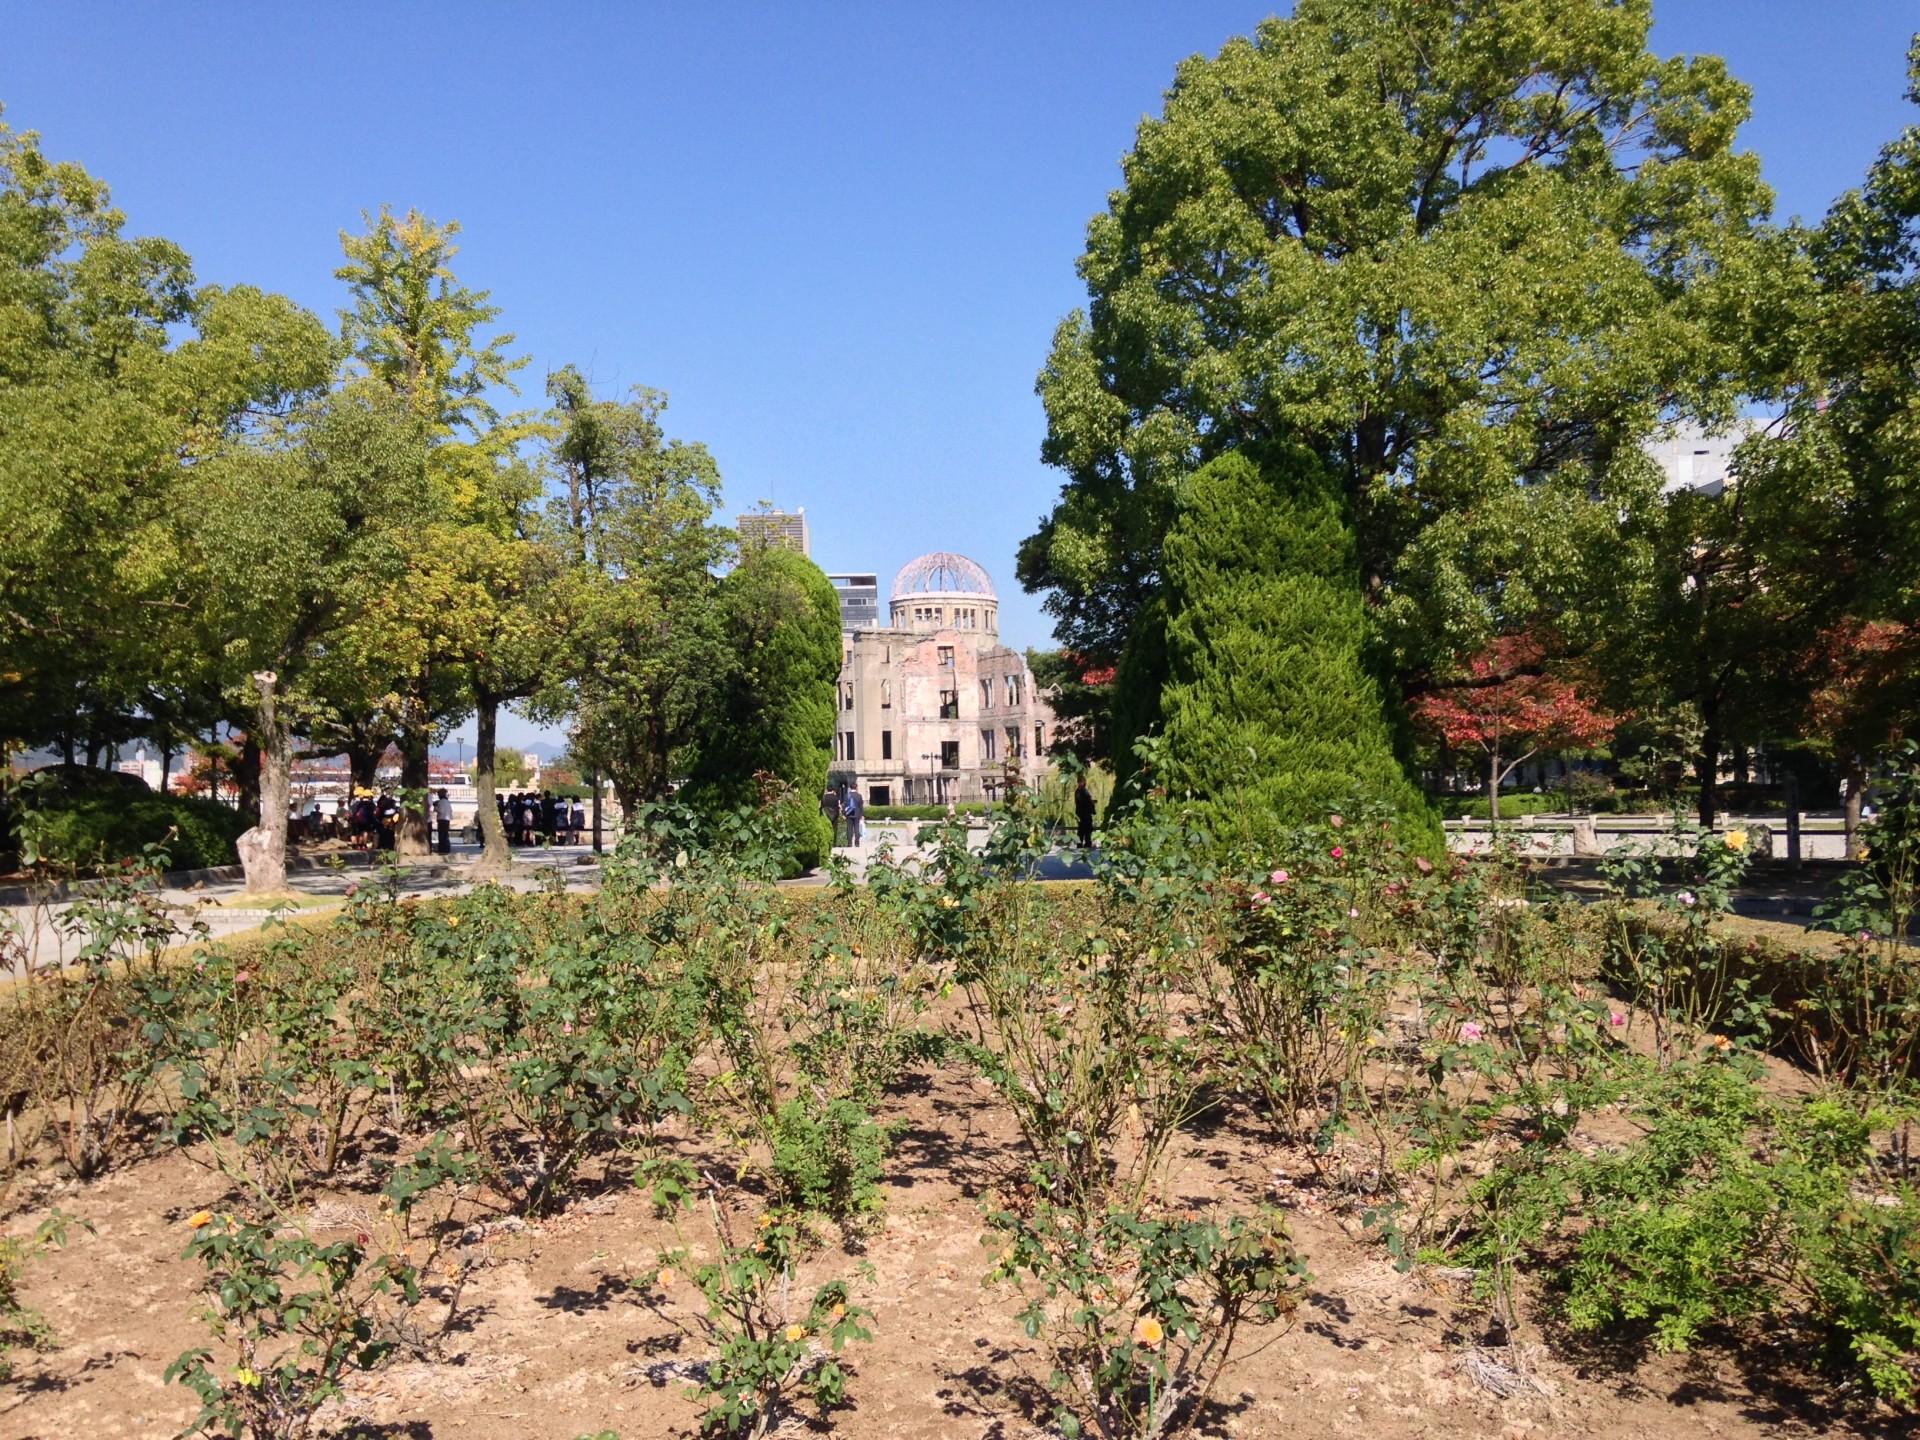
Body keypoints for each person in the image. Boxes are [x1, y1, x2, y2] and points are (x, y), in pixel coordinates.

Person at [1074, 775, 1097, 849]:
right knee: (1086, 829)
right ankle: (1087, 843)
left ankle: (1080, 843)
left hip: (1080, 813)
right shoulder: (1082, 791)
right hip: (1085, 813)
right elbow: (1086, 801)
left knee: (1081, 829)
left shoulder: (1078, 791)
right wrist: (1092, 803)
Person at [433, 787, 453, 855]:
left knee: (441, 835)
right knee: (445, 834)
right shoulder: (447, 802)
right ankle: (447, 848)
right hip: (447, 820)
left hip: (442, 819)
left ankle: (442, 849)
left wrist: (435, 808)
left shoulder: (440, 802)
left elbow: (440, 811)